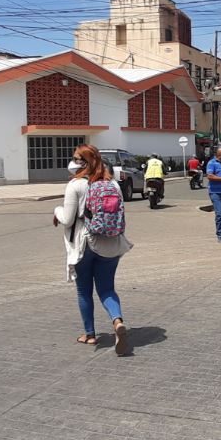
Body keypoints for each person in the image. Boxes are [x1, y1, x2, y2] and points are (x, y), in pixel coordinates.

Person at [53, 144, 133, 356]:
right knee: (107, 289)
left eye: (76, 158)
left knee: (83, 290)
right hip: (110, 241)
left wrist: (56, 211)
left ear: (84, 162)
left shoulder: (75, 185)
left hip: (84, 243)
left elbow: (68, 219)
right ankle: (117, 322)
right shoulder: (112, 184)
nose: (72, 162)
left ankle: (89, 334)